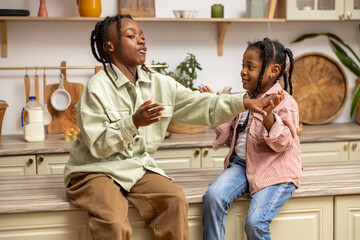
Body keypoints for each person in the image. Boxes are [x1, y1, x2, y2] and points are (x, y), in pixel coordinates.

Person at [64, 15, 283, 240]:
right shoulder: (96, 88)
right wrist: (133, 123)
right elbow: (99, 146)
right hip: (94, 170)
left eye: (142, 37)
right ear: (108, 46)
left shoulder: (160, 84)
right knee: (114, 222)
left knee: (174, 200)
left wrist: (243, 102)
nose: (141, 41)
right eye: (131, 36)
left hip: (135, 167)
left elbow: (202, 104)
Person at [202, 38, 302, 240]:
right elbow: (230, 135)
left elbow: (283, 143)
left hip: (275, 169)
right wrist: (217, 107)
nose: (243, 71)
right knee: (213, 197)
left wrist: (269, 117)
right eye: (243, 65)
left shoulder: (285, 103)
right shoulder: (244, 101)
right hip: (241, 166)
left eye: (251, 66)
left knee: (255, 222)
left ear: (273, 71)